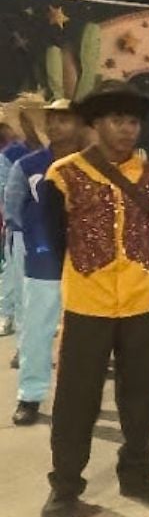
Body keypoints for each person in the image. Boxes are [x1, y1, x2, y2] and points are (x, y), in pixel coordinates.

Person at [41, 81, 149, 517]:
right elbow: (53, 237)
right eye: (117, 120)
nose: (126, 130)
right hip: (87, 303)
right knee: (76, 399)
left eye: (133, 121)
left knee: (140, 395)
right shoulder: (63, 175)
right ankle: (64, 488)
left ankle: (136, 474)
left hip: (142, 300)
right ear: (96, 124)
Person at [9, 99, 84, 425]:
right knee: (36, 331)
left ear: (79, 124)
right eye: (51, 119)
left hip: (86, 263)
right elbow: (12, 209)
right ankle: (30, 395)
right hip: (43, 262)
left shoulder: (91, 165)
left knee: (82, 335)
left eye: (64, 119)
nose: (55, 125)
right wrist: (38, 241)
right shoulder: (27, 166)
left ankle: (78, 397)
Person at [0, 92, 42, 344]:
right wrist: (12, 221)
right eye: (27, 118)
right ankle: (7, 314)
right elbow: (5, 190)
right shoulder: (11, 155)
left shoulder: (56, 152)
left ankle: (38, 319)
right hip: (21, 225)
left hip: (47, 225)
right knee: (15, 273)